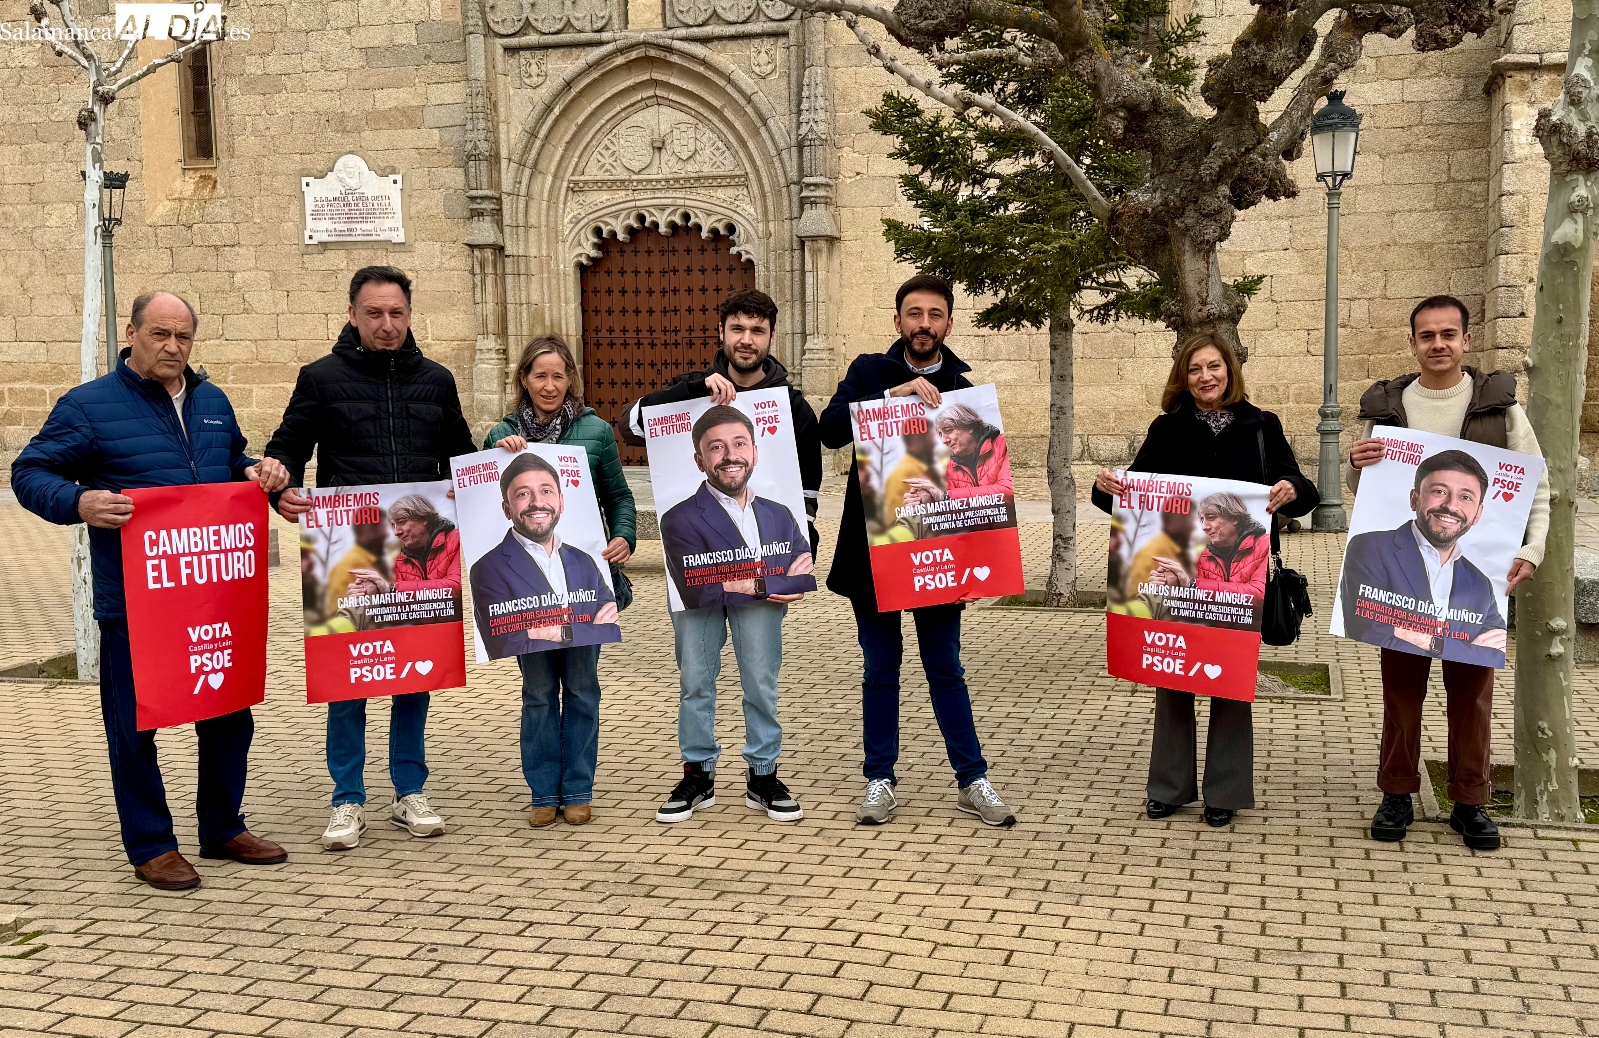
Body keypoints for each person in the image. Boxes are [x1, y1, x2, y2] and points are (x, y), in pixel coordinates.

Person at [12, 290, 291, 891]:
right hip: (136, 601)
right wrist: (78, 502)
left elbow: (229, 462)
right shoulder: (88, 407)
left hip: (214, 595)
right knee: (134, 727)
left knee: (227, 713)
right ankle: (151, 844)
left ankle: (222, 828)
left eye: (183, 337)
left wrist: (257, 474)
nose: (172, 347)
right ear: (133, 334)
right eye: (160, 334)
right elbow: (29, 472)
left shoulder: (212, 400)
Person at [266, 265, 477, 852]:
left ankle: (410, 790)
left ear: (411, 316)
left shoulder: (437, 381)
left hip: (420, 548)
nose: (387, 325)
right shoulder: (321, 378)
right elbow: (288, 445)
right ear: (353, 314)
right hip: (348, 547)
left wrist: (486, 475)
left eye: (397, 314)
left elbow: (460, 457)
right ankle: (347, 799)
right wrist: (281, 486)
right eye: (375, 314)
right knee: (348, 679)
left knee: (414, 675)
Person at [1347, 294, 1548, 852]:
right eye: (1427, 335)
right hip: (1401, 577)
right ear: (1413, 343)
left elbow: (1538, 485)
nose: (1439, 344)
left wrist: (1532, 550)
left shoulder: (1499, 407)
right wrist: (1355, 466)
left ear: (1464, 340)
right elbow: (1367, 494)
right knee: (1401, 690)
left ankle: (1470, 800)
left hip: (1475, 576)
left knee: (1472, 694)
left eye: (1449, 334)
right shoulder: (1386, 408)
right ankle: (1396, 792)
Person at [1092, 332, 1317, 827]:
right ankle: (1169, 788)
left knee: (1231, 681)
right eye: (1195, 370)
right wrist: (1105, 486)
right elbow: (1135, 493)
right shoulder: (1167, 429)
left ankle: (1225, 791)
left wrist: (1290, 489)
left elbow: (1305, 491)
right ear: (1183, 378)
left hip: (1240, 581)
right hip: (1178, 580)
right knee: (1171, 679)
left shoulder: (1263, 426)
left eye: (1214, 367)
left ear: (1230, 371)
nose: (1205, 377)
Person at [819, 273, 1017, 828]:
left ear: (949, 323)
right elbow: (832, 430)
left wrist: (982, 566)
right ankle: (879, 779)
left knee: (945, 668)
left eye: (934, 315)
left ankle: (972, 779)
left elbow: (986, 481)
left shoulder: (963, 390)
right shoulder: (868, 371)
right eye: (914, 314)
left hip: (940, 557)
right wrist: (891, 398)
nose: (924, 324)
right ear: (898, 320)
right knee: (881, 669)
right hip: (874, 557)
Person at [622, 288, 819, 825]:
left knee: (761, 676)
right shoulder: (693, 391)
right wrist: (690, 389)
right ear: (722, 334)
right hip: (698, 585)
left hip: (767, 576)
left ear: (770, 337)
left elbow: (809, 480)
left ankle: (763, 774)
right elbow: (630, 423)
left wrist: (805, 549)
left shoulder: (790, 402)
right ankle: (697, 775)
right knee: (696, 676)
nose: (747, 340)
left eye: (757, 331)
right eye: (738, 329)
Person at [486, 334, 636, 827]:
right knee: (536, 692)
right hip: (524, 593)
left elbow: (619, 498)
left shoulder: (594, 431)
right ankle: (541, 791)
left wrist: (624, 539)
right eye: (539, 376)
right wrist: (496, 453)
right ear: (523, 380)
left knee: (582, 688)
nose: (549, 386)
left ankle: (577, 787)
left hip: (582, 586)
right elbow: (482, 506)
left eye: (557, 375)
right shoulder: (501, 435)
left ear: (570, 378)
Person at [1341, 450, 1506, 665]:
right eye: (1439, 491)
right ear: (1414, 499)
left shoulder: (1480, 583)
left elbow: (1497, 652)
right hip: (1402, 674)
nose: (1451, 506)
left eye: (1465, 497)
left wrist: (1430, 642)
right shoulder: (1370, 549)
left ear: (1478, 513)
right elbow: (1367, 630)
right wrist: (1467, 649)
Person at [657, 405, 814, 610]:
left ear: (754, 453)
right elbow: (700, 596)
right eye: (716, 447)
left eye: (740, 443)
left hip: (764, 618)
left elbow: (804, 579)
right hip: (706, 620)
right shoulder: (678, 519)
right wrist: (775, 584)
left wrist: (746, 585)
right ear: (699, 461)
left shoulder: (780, 514)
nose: (731, 455)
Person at [469, 452, 619, 654]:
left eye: (546, 491)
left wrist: (559, 632)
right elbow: (505, 645)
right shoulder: (488, 568)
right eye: (523, 494)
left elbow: (611, 629)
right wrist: (590, 630)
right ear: (506, 509)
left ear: (561, 502)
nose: (537, 502)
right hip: (537, 673)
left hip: (583, 663)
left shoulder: (584, 561)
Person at [346, 494, 462, 626]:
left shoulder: (457, 539)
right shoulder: (401, 560)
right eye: (393, 526)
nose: (396, 532)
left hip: (462, 633)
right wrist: (376, 596)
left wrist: (393, 590)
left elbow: (456, 587)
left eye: (401, 522)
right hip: (426, 636)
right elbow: (402, 614)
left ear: (424, 518)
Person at [1147, 492, 1270, 611]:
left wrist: (1193, 586)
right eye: (1202, 520)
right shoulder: (1205, 557)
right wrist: (1173, 588)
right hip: (1214, 632)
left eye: (1211, 518)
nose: (1204, 527)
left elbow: (1260, 596)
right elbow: (1200, 612)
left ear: (1234, 518)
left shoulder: (1266, 544)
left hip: (1254, 632)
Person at [902, 403, 1013, 504]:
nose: (944, 440)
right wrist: (927, 501)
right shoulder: (951, 467)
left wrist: (946, 497)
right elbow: (956, 513)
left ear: (969, 426)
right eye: (940, 434)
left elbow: (1009, 491)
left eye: (948, 430)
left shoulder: (1003, 444)